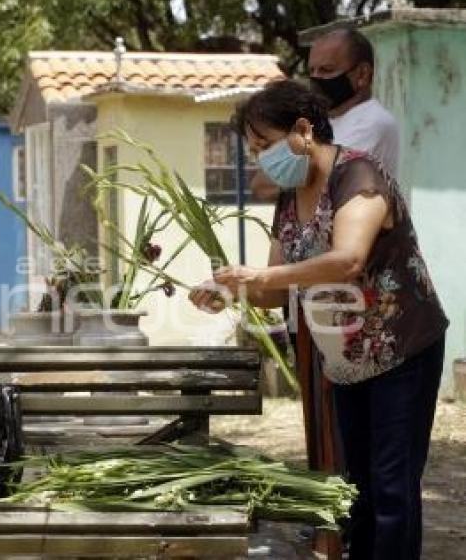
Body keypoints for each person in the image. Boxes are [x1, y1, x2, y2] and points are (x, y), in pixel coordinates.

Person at [190, 80, 448, 560]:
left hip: (401, 352)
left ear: (304, 130)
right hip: (347, 362)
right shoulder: (291, 196)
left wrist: (264, 273)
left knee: (392, 487)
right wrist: (229, 289)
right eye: (253, 149)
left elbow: (347, 259)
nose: (260, 159)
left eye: (264, 144)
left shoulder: (359, 177)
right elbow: (273, 290)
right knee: (357, 489)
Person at [251, 27, 399, 202]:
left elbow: (320, 180)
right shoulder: (322, 122)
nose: (316, 78)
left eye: (326, 70)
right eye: (312, 71)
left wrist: (292, 170)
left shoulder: (373, 122)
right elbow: (261, 185)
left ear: (362, 74)